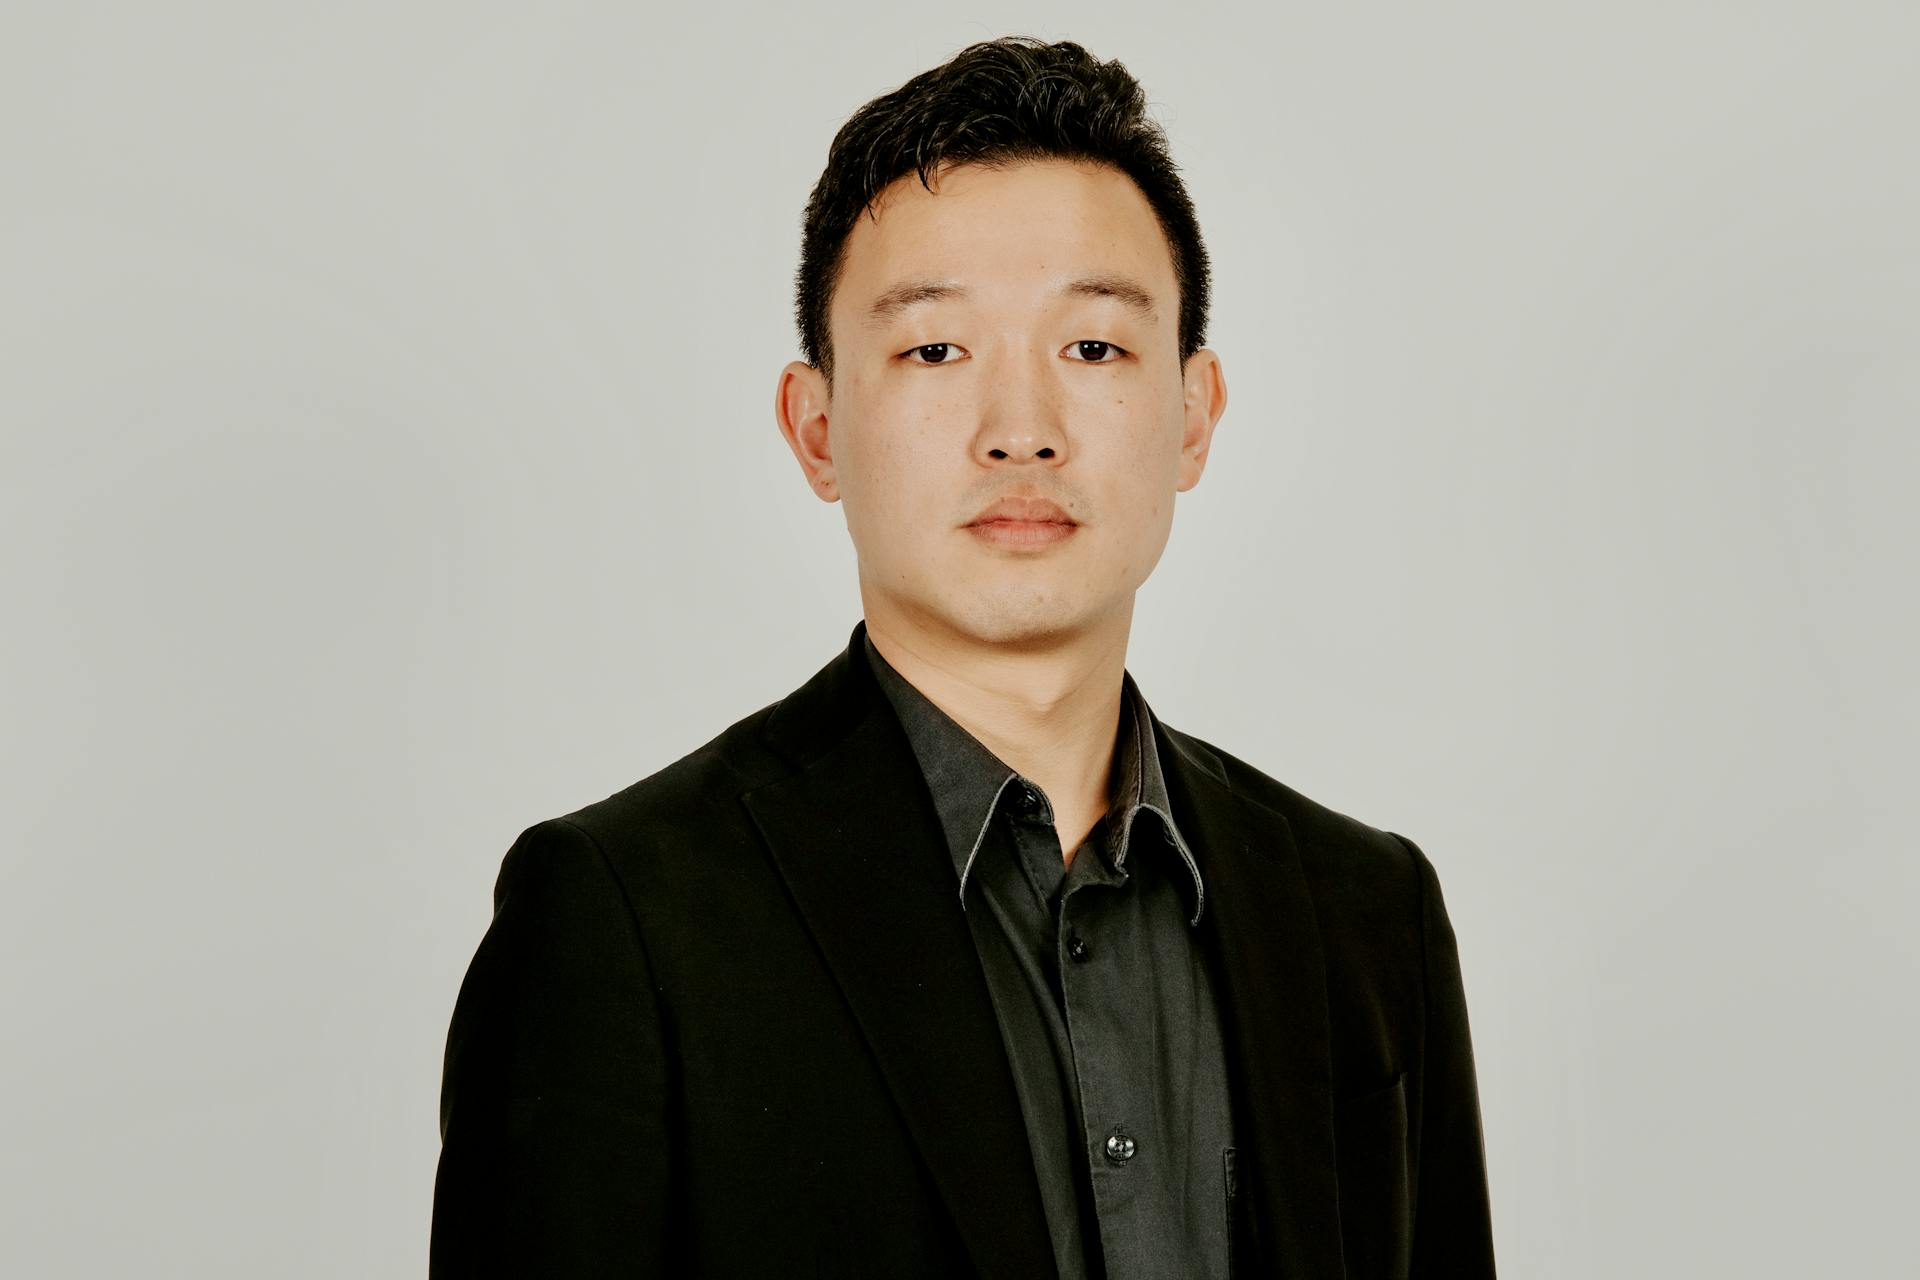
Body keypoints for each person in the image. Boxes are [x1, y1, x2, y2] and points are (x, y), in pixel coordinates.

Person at [430, 35, 1496, 1278]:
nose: (1022, 431)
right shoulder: (623, 917)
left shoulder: (1367, 913)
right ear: (816, 427)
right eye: (935, 349)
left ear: (1193, 416)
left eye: (1093, 347)